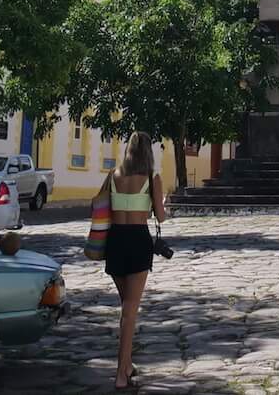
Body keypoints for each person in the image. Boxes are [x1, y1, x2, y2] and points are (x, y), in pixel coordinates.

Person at [98, 132, 166, 390]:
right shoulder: (152, 178)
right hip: (138, 241)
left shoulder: (113, 176)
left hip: (114, 241)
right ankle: (120, 373)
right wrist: (162, 204)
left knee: (127, 307)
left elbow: (98, 206)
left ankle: (126, 365)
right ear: (148, 153)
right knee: (130, 309)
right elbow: (160, 217)